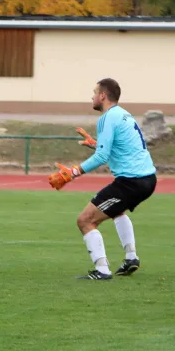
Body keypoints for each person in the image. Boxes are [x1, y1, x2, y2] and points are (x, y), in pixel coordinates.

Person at [48, 78, 156, 280]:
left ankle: (102, 270)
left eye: (94, 92)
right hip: (148, 179)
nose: (92, 96)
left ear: (103, 96)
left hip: (131, 182)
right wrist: (96, 144)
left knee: (85, 220)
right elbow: (120, 147)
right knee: (117, 211)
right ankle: (131, 257)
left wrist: (72, 173)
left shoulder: (107, 118)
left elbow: (102, 157)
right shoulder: (124, 114)